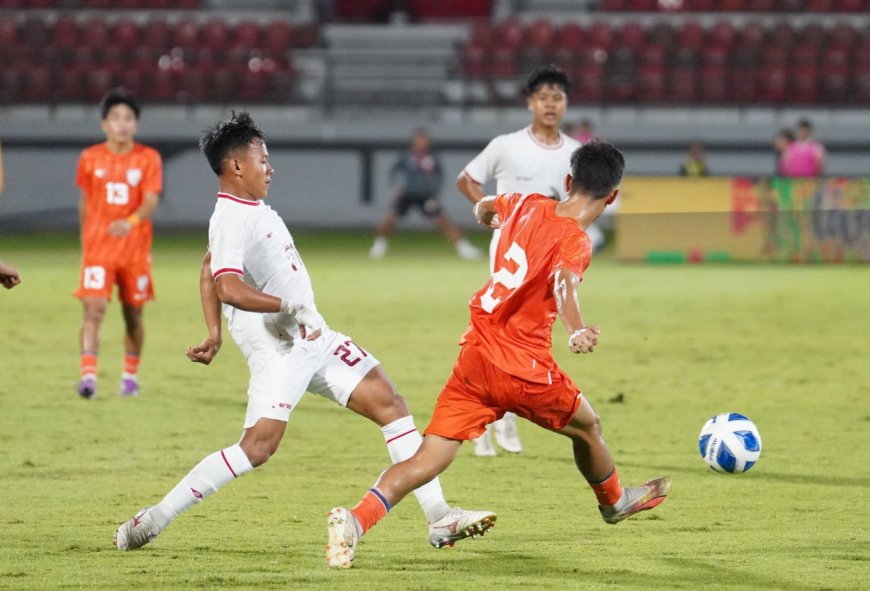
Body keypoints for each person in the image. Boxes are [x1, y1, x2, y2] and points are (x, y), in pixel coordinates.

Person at [113, 112, 493, 552]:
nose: (270, 168)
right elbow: (227, 285)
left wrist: (213, 333)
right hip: (281, 345)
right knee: (257, 448)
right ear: (236, 166)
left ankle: (439, 517)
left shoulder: (247, 209)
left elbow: (206, 267)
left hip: (313, 333)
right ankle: (154, 519)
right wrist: (287, 306)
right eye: (262, 159)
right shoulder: (230, 216)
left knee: (391, 403)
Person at [326, 141, 671, 569]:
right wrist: (577, 328)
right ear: (613, 196)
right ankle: (614, 501)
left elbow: (485, 207)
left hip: (475, 357)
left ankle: (355, 522)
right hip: (523, 368)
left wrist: (490, 215)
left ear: (567, 181)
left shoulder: (525, 202)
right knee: (588, 426)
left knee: (428, 459)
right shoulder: (576, 241)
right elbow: (564, 282)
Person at [456, 65, 596, 456]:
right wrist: (489, 213)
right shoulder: (506, 145)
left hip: (552, 256)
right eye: (544, 97)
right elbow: (466, 178)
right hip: (512, 254)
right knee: (499, 329)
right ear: (531, 102)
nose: (551, 104)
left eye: (558, 97)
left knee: (532, 331)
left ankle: (504, 414)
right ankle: (487, 420)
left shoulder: (574, 155)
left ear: (566, 104)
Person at [74, 87, 162, 399]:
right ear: (104, 124)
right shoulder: (89, 158)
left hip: (134, 251)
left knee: (133, 315)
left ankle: (129, 377)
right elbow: (85, 200)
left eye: (128, 118)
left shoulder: (148, 158)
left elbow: (151, 200)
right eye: (115, 118)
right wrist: (88, 239)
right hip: (98, 251)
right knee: (93, 309)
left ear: (135, 125)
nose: (122, 124)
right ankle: (88, 378)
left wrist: (132, 222)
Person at [369, 128, 481, 260]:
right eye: (419, 140)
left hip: (426, 196)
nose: (422, 143)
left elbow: (439, 176)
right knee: (389, 219)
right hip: (407, 194)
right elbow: (393, 172)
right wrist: (395, 187)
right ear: (414, 141)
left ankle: (464, 248)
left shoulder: (432, 157)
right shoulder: (406, 156)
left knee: (443, 221)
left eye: (424, 140)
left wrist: (436, 193)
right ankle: (379, 245)